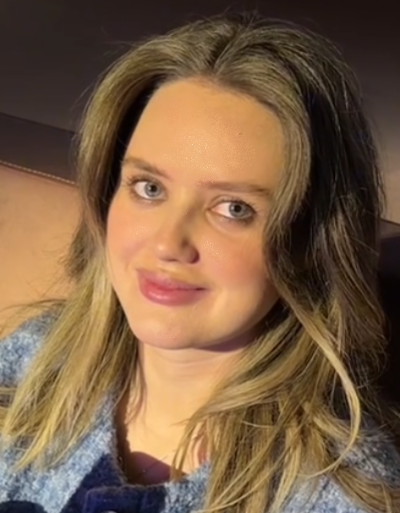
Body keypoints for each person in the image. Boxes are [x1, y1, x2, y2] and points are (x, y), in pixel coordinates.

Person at [0, 9, 399, 513]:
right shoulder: (35, 361)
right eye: (149, 188)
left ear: (308, 242)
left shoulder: (338, 495)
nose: (169, 243)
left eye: (234, 209)